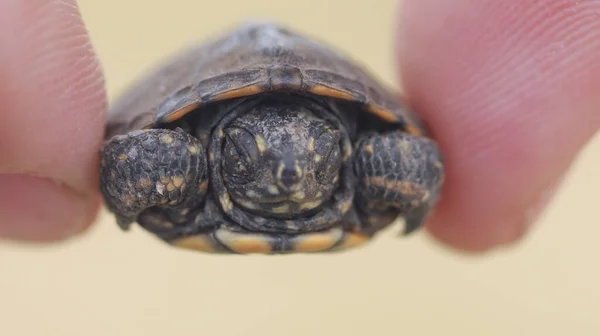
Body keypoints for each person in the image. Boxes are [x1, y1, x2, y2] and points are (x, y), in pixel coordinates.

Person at [0, 0, 598, 252]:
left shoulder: (370, 161)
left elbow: (409, 156)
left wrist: (411, 182)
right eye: (257, 159)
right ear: (222, 155)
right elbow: (133, 155)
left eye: (314, 159)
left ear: (339, 151)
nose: (288, 172)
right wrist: (135, 179)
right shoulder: (181, 159)